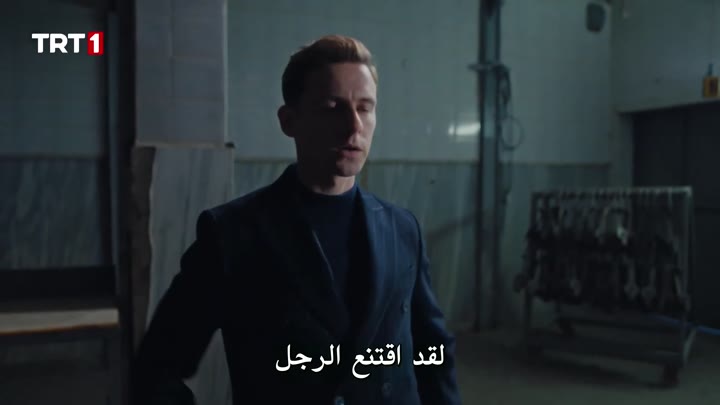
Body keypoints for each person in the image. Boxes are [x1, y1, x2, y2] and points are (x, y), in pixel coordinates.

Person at [133, 35, 461, 405]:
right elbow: (157, 368)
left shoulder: (402, 230)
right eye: (333, 107)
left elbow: (433, 351)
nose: (353, 126)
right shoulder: (233, 234)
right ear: (289, 121)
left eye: (365, 108)